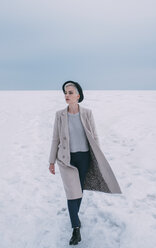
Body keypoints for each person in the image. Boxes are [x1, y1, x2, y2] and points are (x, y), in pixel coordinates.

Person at [48, 80, 122, 245]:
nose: (67, 95)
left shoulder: (87, 113)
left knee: (79, 191)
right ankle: (76, 228)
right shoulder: (59, 115)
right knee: (71, 192)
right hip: (66, 159)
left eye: (70, 92)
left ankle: (75, 219)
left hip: (84, 158)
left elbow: (94, 137)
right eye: (65, 93)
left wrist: (98, 159)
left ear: (78, 96)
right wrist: (51, 161)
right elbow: (55, 139)